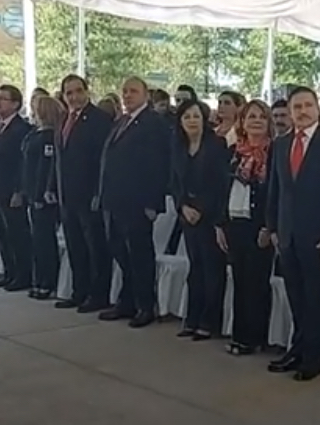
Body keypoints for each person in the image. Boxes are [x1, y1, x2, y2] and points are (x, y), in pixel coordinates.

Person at [266, 86, 320, 381]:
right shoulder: (280, 145)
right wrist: (272, 227)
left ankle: (312, 358)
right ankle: (297, 349)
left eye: (307, 105)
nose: (302, 111)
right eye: (297, 107)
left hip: (318, 237)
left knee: (314, 298)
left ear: (317, 109)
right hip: (287, 235)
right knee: (295, 296)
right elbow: (274, 190)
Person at [97, 76, 170, 328]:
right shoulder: (122, 121)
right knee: (120, 251)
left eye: (133, 91)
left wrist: (152, 203)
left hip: (137, 201)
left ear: (146, 95)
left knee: (139, 255)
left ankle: (145, 305)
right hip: (114, 199)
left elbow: (158, 164)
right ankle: (126, 301)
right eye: (125, 91)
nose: (127, 95)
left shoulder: (153, 123)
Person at [216, 100, 275, 355]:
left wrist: (268, 225)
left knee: (257, 282)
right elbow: (222, 189)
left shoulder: (275, 153)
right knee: (239, 281)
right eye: (251, 116)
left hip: (258, 225)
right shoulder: (234, 152)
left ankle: (255, 337)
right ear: (243, 122)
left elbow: (275, 194)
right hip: (234, 222)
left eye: (262, 117)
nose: (256, 121)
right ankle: (240, 336)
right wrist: (220, 224)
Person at [53, 74, 114, 313]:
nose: (74, 97)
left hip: (89, 195)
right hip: (66, 195)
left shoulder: (99, 119)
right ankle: (79, 292)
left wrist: (98, 193)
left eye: (78, 91)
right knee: (75, 246)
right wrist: (52, 187)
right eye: (69, 93)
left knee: (95, 247)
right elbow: (59, 158)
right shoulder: (63, 119)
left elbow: (103, 161)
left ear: (87, 91)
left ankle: (98, 295)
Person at [172, 98, 228, 340]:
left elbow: (220, 184)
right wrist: (183, 206)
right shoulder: (178, 147)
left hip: (210, 216)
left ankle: (209, 321)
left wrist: (202, 209)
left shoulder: (217, 145)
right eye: (187, 117)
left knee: (212, 269)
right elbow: (174, 183)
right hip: (187, 216)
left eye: (196, 116)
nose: (192, 121)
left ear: (204, 119)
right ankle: (192, 319)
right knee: (195, 268)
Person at [0, 84, 33, 291]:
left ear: (15, 104)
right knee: (1, 233)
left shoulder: (21, 129)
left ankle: (22, 275)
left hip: (11, 190)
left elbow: (22, 163)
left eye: (3, 99)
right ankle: (10, 272)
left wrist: (19, 190)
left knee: (16, 234)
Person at [21, 96, 61, 300]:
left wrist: (40, 193)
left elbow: (45, 169)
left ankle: (48, 281)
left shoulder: (49, 137)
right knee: (37, 240)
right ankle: (39, 279)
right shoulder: (34, 134)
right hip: (31, 193)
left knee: (45, 240)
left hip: (41, 197)